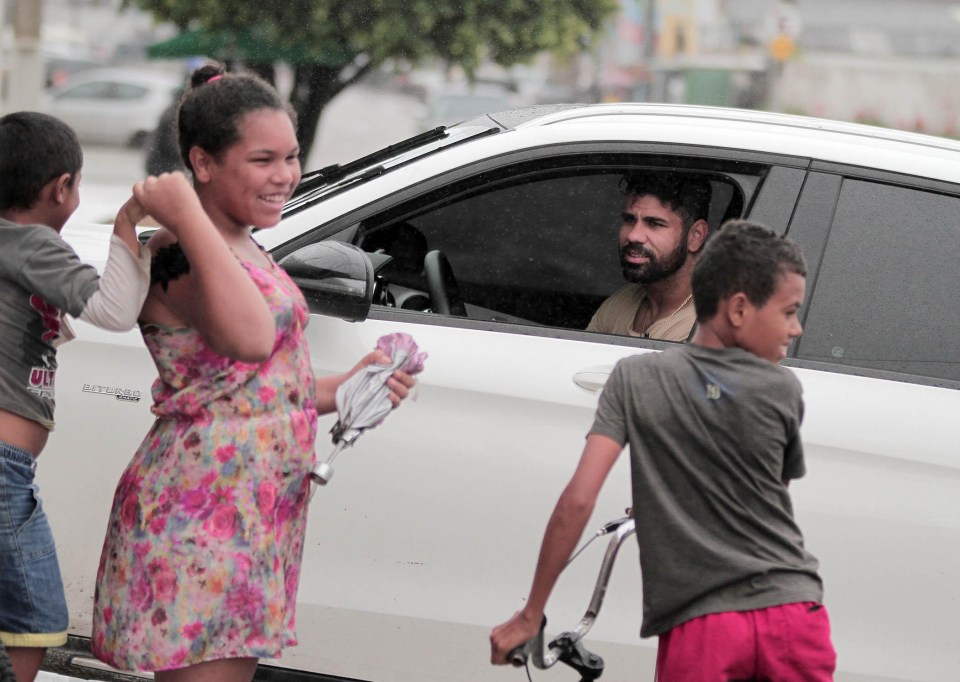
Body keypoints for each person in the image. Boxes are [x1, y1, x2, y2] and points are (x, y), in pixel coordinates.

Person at [90, 63, 416, 682]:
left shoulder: (239, 243)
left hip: (253, 507)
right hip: (197, 509)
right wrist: (186, 214)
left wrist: (353, 384)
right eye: (263, 159)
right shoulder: (179, 253)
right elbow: (250, 337)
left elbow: (258, 392)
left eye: (291, 157)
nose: (286, 176)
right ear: (203, 163)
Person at [491, 220, 836, 681]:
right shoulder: (783, 388)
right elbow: (764, 495)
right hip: (796, 613)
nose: (796, 329)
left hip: (704, 621)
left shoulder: (634, 379)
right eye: (790, 312)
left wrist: (532, 613)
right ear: (737, 310)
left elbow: (578, 500)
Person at [0, 111, 152, 682]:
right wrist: (127, 228)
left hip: (10, 469)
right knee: (34, 617)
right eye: (79, 185)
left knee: (24, 616)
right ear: (61, 187)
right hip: (5, 470)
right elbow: (115, 311)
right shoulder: (35, 245)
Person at [586, 172, 711, 341]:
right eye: (630, 219)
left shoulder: (713, 326)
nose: (634, 236)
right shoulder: (622, 302)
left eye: (654, 224)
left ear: (695, 235)